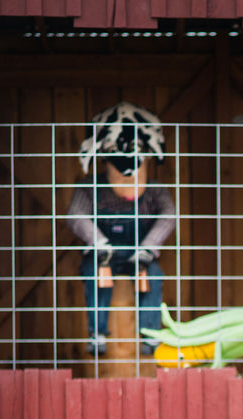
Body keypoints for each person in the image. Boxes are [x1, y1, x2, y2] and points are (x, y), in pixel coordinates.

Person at [66, 102, 176, 356]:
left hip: (141, 251)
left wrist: (148, 247)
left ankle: (150, 335)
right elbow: (75, 214)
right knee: (95, 275)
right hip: (103, 251)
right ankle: (97, 334)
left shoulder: (155, 190)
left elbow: (169, 215)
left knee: (153, 277)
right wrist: (98, 242)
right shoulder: (90, 187)